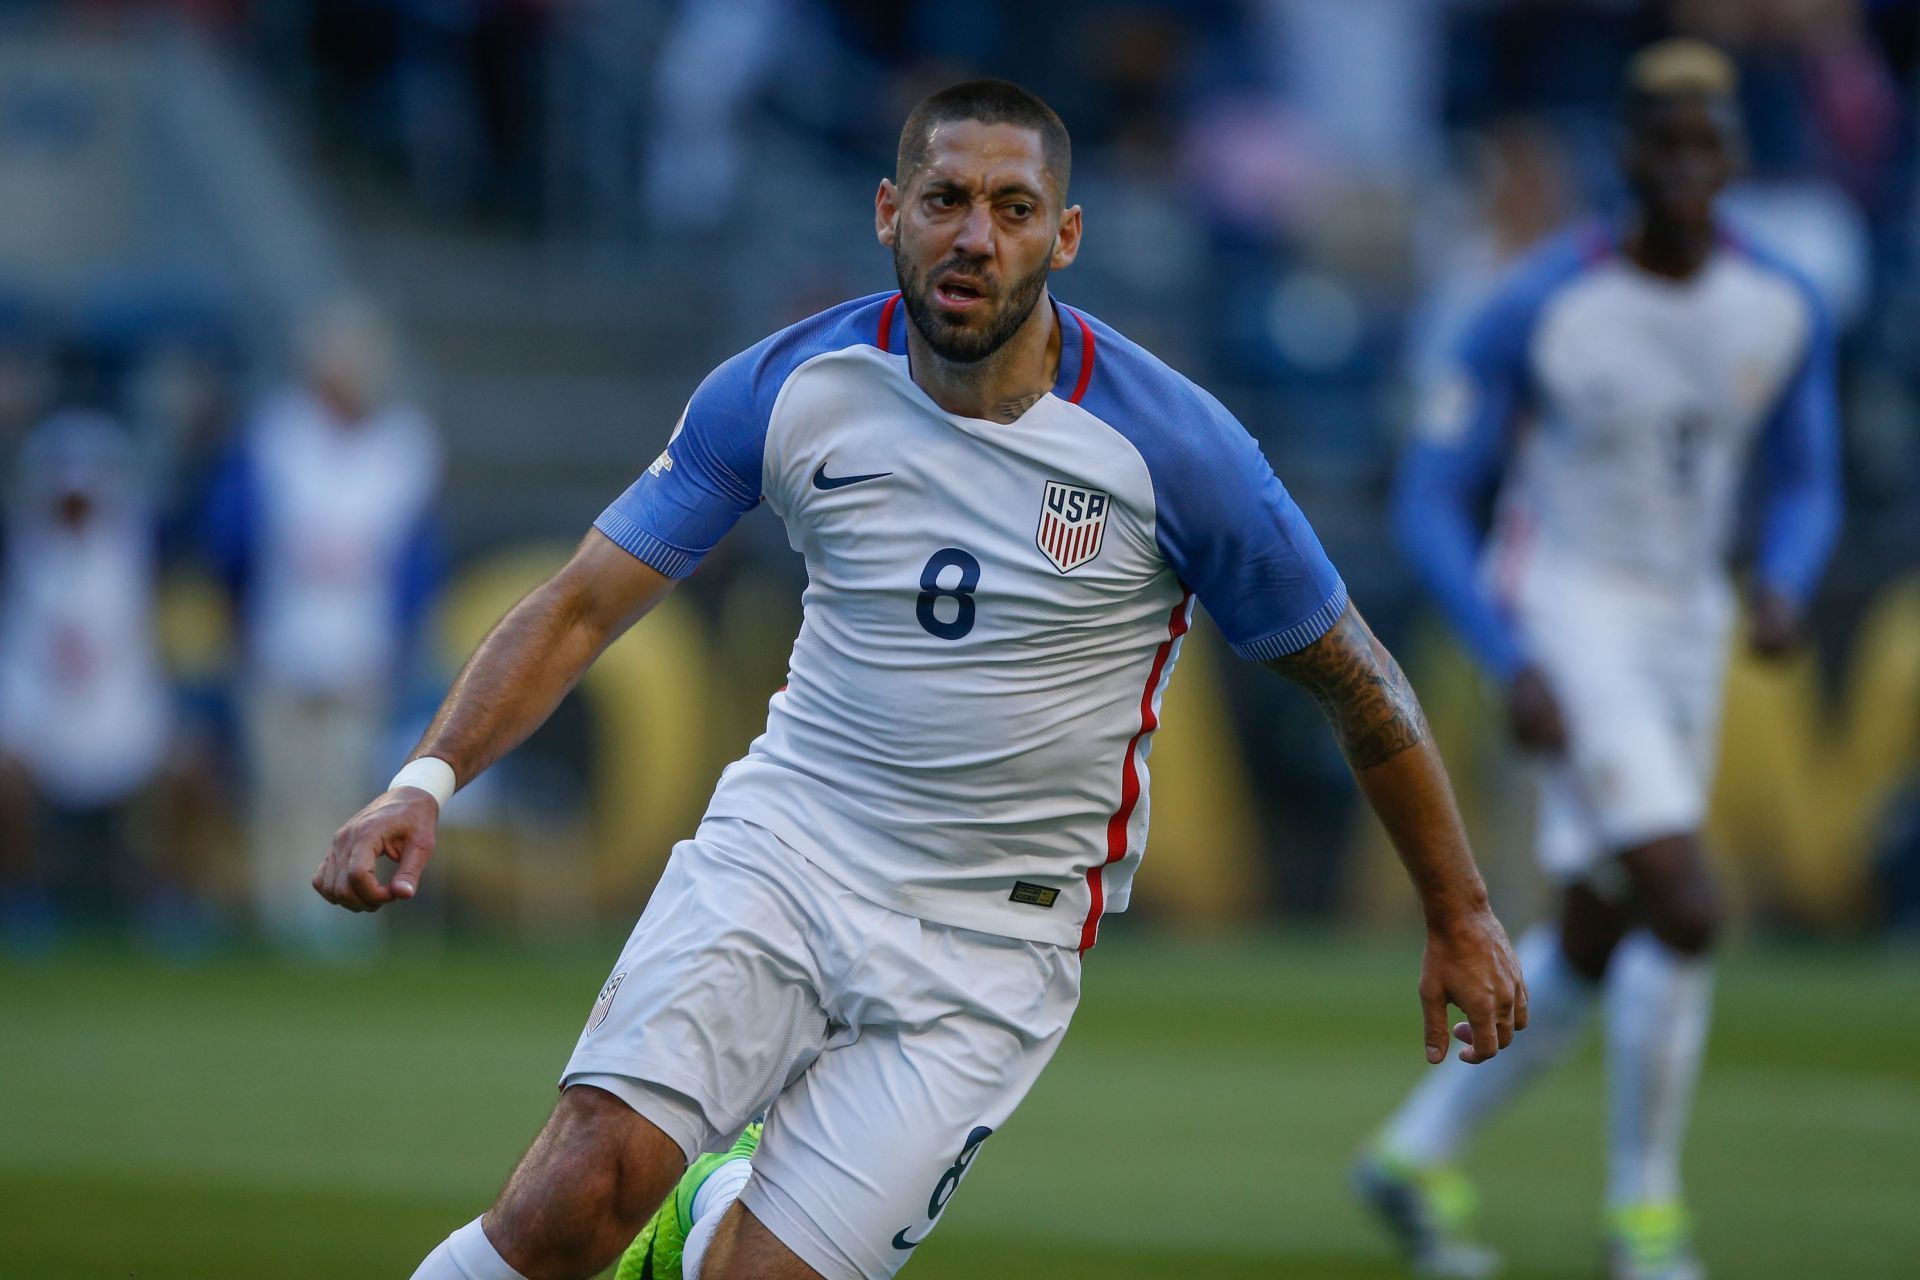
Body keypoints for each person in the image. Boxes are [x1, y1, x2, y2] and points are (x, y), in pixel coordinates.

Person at [315, 80, 1526, 1280]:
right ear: (890, 210)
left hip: (993, 940)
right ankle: (690, 1194)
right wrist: (424, 779)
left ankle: (719, 1206)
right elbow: (580, 603)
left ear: (1066, 235)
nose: (974, 237)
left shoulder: (1181, 450)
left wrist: (1460, 909)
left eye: (1012, 207)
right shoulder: (791, 386)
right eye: (945, 199)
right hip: (789, 849)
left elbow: (1360, 683)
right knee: (574, 1200)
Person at [1359, 41, 1841, 1280]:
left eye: (1705, 141)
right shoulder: (1541, 301)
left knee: (1593, 932)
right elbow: (1431, 494)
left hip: (1689, 628)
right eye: (1660, 141)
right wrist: (1506, 650)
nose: (1684, 165)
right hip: (1571, 614)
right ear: (1625, 156)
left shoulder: (1779, 303)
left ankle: (1412, 1158)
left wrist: (1784, 576)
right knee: (1686, 902)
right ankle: (1647, 1219)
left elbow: (1807, 475)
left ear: (1732, 155)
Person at [206, 299, 441, 958]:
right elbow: (233, 537)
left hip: (360, 646)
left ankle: (341, 926)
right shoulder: (278, 436)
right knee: (281, 790)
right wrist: (240, 618)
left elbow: (417, 558)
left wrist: (402, 638)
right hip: (281, 638)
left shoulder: (402, 446)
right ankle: (284, 921)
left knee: (348, 790)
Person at [0, 411, 200, 953]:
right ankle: (21, 898)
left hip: (121, 715)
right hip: (40, 715)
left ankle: (167, 898)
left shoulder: (136, 547)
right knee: (6, 777)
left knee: (192, 767)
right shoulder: (19, 551)